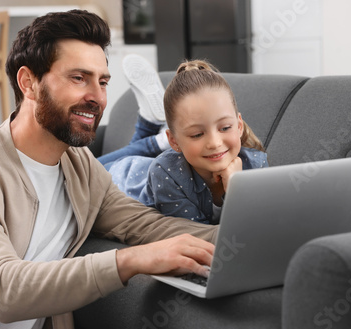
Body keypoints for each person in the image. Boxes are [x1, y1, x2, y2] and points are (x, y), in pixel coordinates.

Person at [0, 10, 216, 329]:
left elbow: (145, 225)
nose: (97, 97)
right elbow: (3, 290)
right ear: (29, 83)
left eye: (103, 81)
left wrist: (249, 236)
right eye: (78, 78)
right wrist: (131, 261)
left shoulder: (80, 170)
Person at [99, 56, 268, 225]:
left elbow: (263, 224)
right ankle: (154, 136)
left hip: (150, 166)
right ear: (174, 142)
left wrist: (238, 184)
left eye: (225, 128)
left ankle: (148, 123)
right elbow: (200, 236)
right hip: (119, 177)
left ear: (239, 126)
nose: (215, 143)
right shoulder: (166, 175)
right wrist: (236, 191)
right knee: (79, 167)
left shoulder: (256, 165)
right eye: (197, 134)